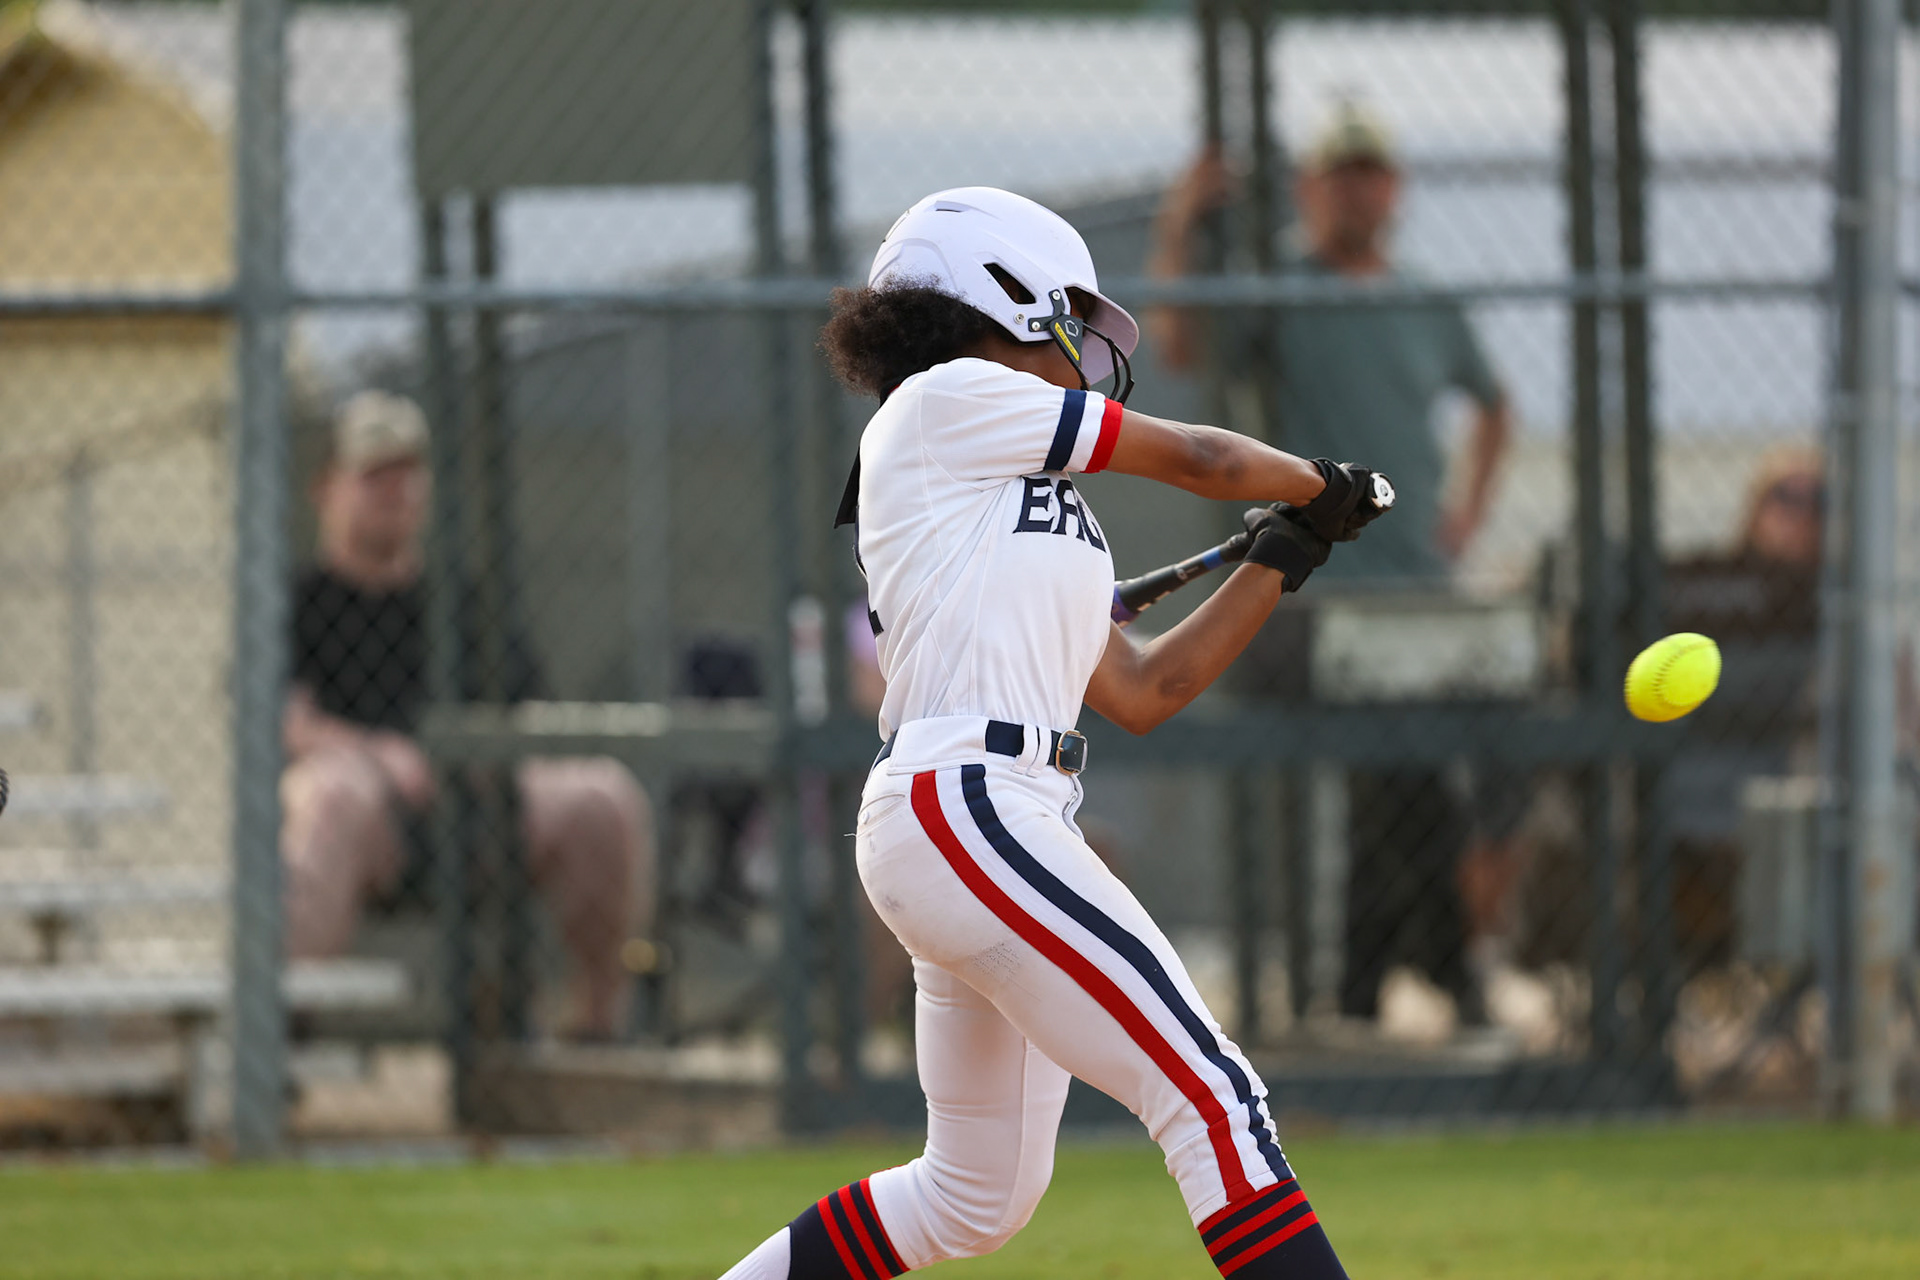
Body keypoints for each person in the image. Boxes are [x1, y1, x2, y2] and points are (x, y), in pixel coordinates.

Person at [715, 187, 1392, 1280]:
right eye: (1067, 313)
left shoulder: (1016, 489)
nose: (1083, 342)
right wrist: (1323, 481)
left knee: (972, 1194)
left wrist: (1286, 553)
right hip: (969, 800)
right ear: (1000, 293)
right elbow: (1205, 461)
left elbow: (1141, 686)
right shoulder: (945, 400)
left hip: (986, 814)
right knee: (1211, 1095)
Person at [1151, 100, 1515, 1025]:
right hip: (1310, 582)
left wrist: (1468, 515)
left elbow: (1495, 405)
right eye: (1339, 175)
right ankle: (1442, 977)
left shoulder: (1426, 300)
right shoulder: (1281, 289)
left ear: (1393, 189)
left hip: (1417, 590)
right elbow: (1185, 346)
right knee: (1401, 781)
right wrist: (1182, 221)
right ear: (1312, 188)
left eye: (1371, 174)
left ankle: (1363, 985)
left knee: (1400, 783)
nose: (1357, 192)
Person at [280, 391, 653, 1040]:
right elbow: (289, 724)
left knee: (602, 794)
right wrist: (380, 754)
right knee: (330, 793)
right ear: (326, 490)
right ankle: (282, 1034)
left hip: (480, 801)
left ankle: (598, 1027)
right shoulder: (301, 599)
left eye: (408, 475)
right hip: (372, 809)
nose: (395, 492)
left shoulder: (462, 597)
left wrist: (479, 755)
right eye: (374, 477)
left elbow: (527, 709)